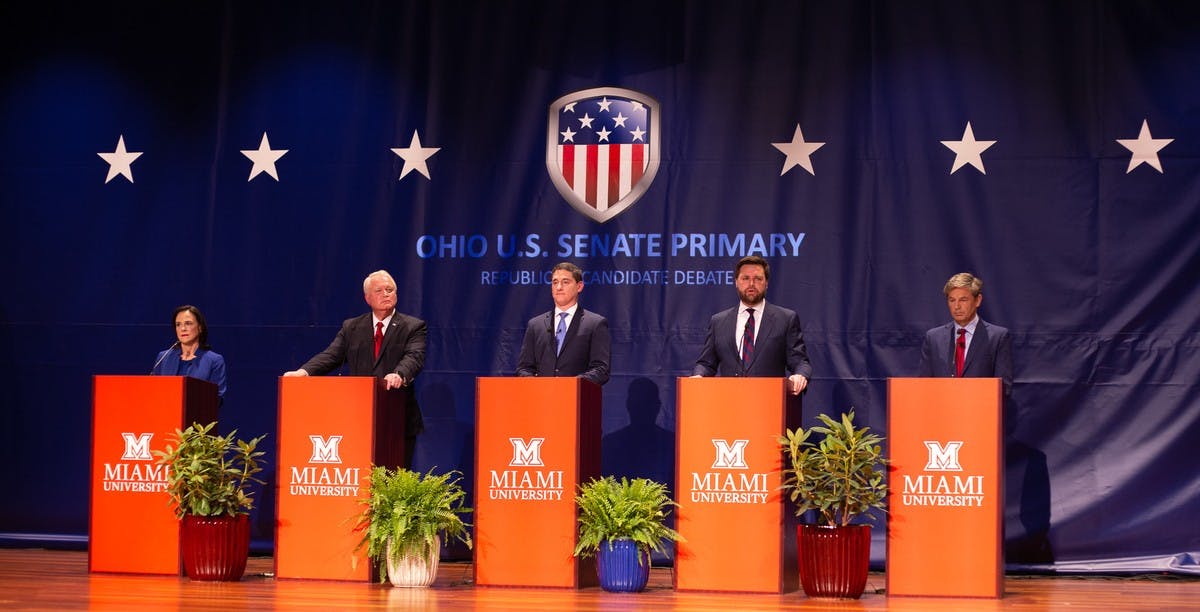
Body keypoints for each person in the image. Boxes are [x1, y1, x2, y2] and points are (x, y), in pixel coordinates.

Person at [284, 270, 426, 467]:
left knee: (395, 479)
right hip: (360, 417)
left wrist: (399, 374)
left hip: (397, 417)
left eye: (390, 290)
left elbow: (414, 356)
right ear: (367, 298)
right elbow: (332, 355)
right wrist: (304, 372)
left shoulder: (413, 326)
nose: (386, 294)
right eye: (379, 290)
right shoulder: (352, 327)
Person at [692, 256, 812, 395]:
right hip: (728, 404)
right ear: (736, 282)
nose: (751, 284)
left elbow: (800, 361)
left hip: (769, 403)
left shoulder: (785, 319)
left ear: (766, 283)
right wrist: (699, 376)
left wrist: (800, 376)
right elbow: (706, 363)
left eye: (758, 279)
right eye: (745, 278)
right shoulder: (718, 321)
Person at [917, 272, 1013, 395]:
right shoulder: (933, 338)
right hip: (942, 411)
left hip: (981, 411)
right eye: (952, 300)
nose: (957, 306)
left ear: (977, 300)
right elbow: (924, 386)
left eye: (963, 300)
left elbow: (1003, 388)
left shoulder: (997, 337)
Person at [516, 262, 611, 385]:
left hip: (577, 399)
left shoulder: (595, 324)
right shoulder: (535, 325)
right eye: (555, 282)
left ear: (579, 286)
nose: (559, 287)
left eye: (565, 282)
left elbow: (601, 369)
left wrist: (569, 385)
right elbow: (524, 368)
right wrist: (536, 384)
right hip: (541, 398)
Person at [151, 305, 228, 400]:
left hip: (198, 414)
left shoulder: (214, 360)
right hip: (166, 412)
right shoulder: (163, 357)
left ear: (200, 328)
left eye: (188, 323)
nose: (182, 328)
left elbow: (217, 397)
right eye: (178, 324)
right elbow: (153, 390)